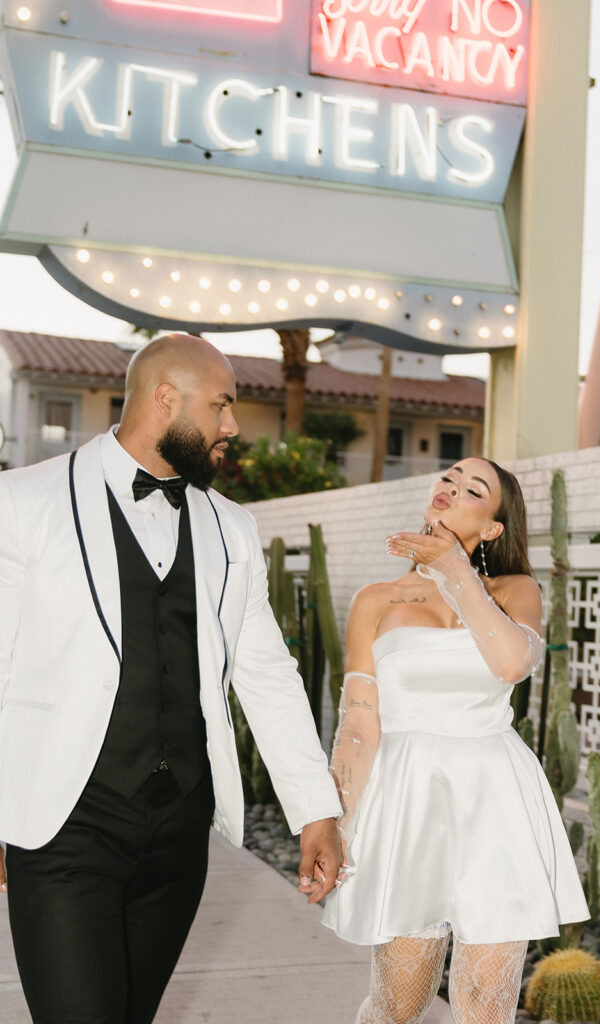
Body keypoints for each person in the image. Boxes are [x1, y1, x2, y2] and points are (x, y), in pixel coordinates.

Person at [0, 333, 343, 1024]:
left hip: (178, 830)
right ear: (165, 398)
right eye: (220, 406)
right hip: (63, 823)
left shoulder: (232, 529)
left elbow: (267, 674)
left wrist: (315, 809)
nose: (230, 427)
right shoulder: (22, 502)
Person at [322, 457, 590, 1024]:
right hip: (406, 799)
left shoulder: (515, 590)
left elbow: (511, 661)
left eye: (473, 489)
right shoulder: (376, 598)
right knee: (398, 1005)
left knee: (486, 1011)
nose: (451, 488)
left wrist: (454, 570)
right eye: (448, 477)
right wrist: (337, 823)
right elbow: (359, 722)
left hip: (494, 798)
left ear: (492, 527)